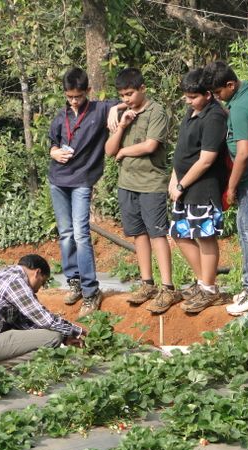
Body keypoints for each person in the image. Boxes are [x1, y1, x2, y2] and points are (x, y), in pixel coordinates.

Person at [104, 67, 180, 314]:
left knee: (157, 234)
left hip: (151, 183)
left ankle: (168, 287)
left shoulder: (156, 111)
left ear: (142, 88)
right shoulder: (121, 113)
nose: (126, 99)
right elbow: (109, 150)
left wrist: (124, 151)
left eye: (130, 94)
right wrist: (121, 126)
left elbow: (150, 146)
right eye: (122, 95)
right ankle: (147, 283)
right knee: (138, 234)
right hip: (126, 184)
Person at [202, 61, 248, 315]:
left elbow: (243, 153)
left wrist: (231, 187)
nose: (217, 97)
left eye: (218, 92)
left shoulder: (241, 108)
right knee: (245, 229)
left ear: (230, 85)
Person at [48, 67, 118, 317]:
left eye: (78, 96)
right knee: (66, 234)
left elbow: (127, 101)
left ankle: (90, 291)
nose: (74, 101)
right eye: (69, 97)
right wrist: (54, 152)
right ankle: (74, 282)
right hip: (58, 180)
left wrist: (115, 111)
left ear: (87, 91)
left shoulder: (99, 110)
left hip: (81, 181)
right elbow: (53, 143)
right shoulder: (61, 116)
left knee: (81, 234)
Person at [168, 69, 227, 313]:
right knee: (180, 233)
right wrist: (174, 179)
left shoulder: (214, 117)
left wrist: (182, 184)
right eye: (186, 96)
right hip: (184, 188)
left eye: (193, 97)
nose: (188, 101)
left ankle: (209, 289)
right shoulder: (192, 111)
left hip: (203, 188)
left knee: (205, 236)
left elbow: (206, 160)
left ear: (208, 95)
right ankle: (203, 282)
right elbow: (182, 150)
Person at [0, 254, 86, 364]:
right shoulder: (15, 282)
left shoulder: (6, 274)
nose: (39, 288)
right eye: (42, 282)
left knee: (53, 337)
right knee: (53, 338)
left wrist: (65, 338)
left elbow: (23, 322)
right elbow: (45, 320)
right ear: (37, 273)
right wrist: (77, 331)